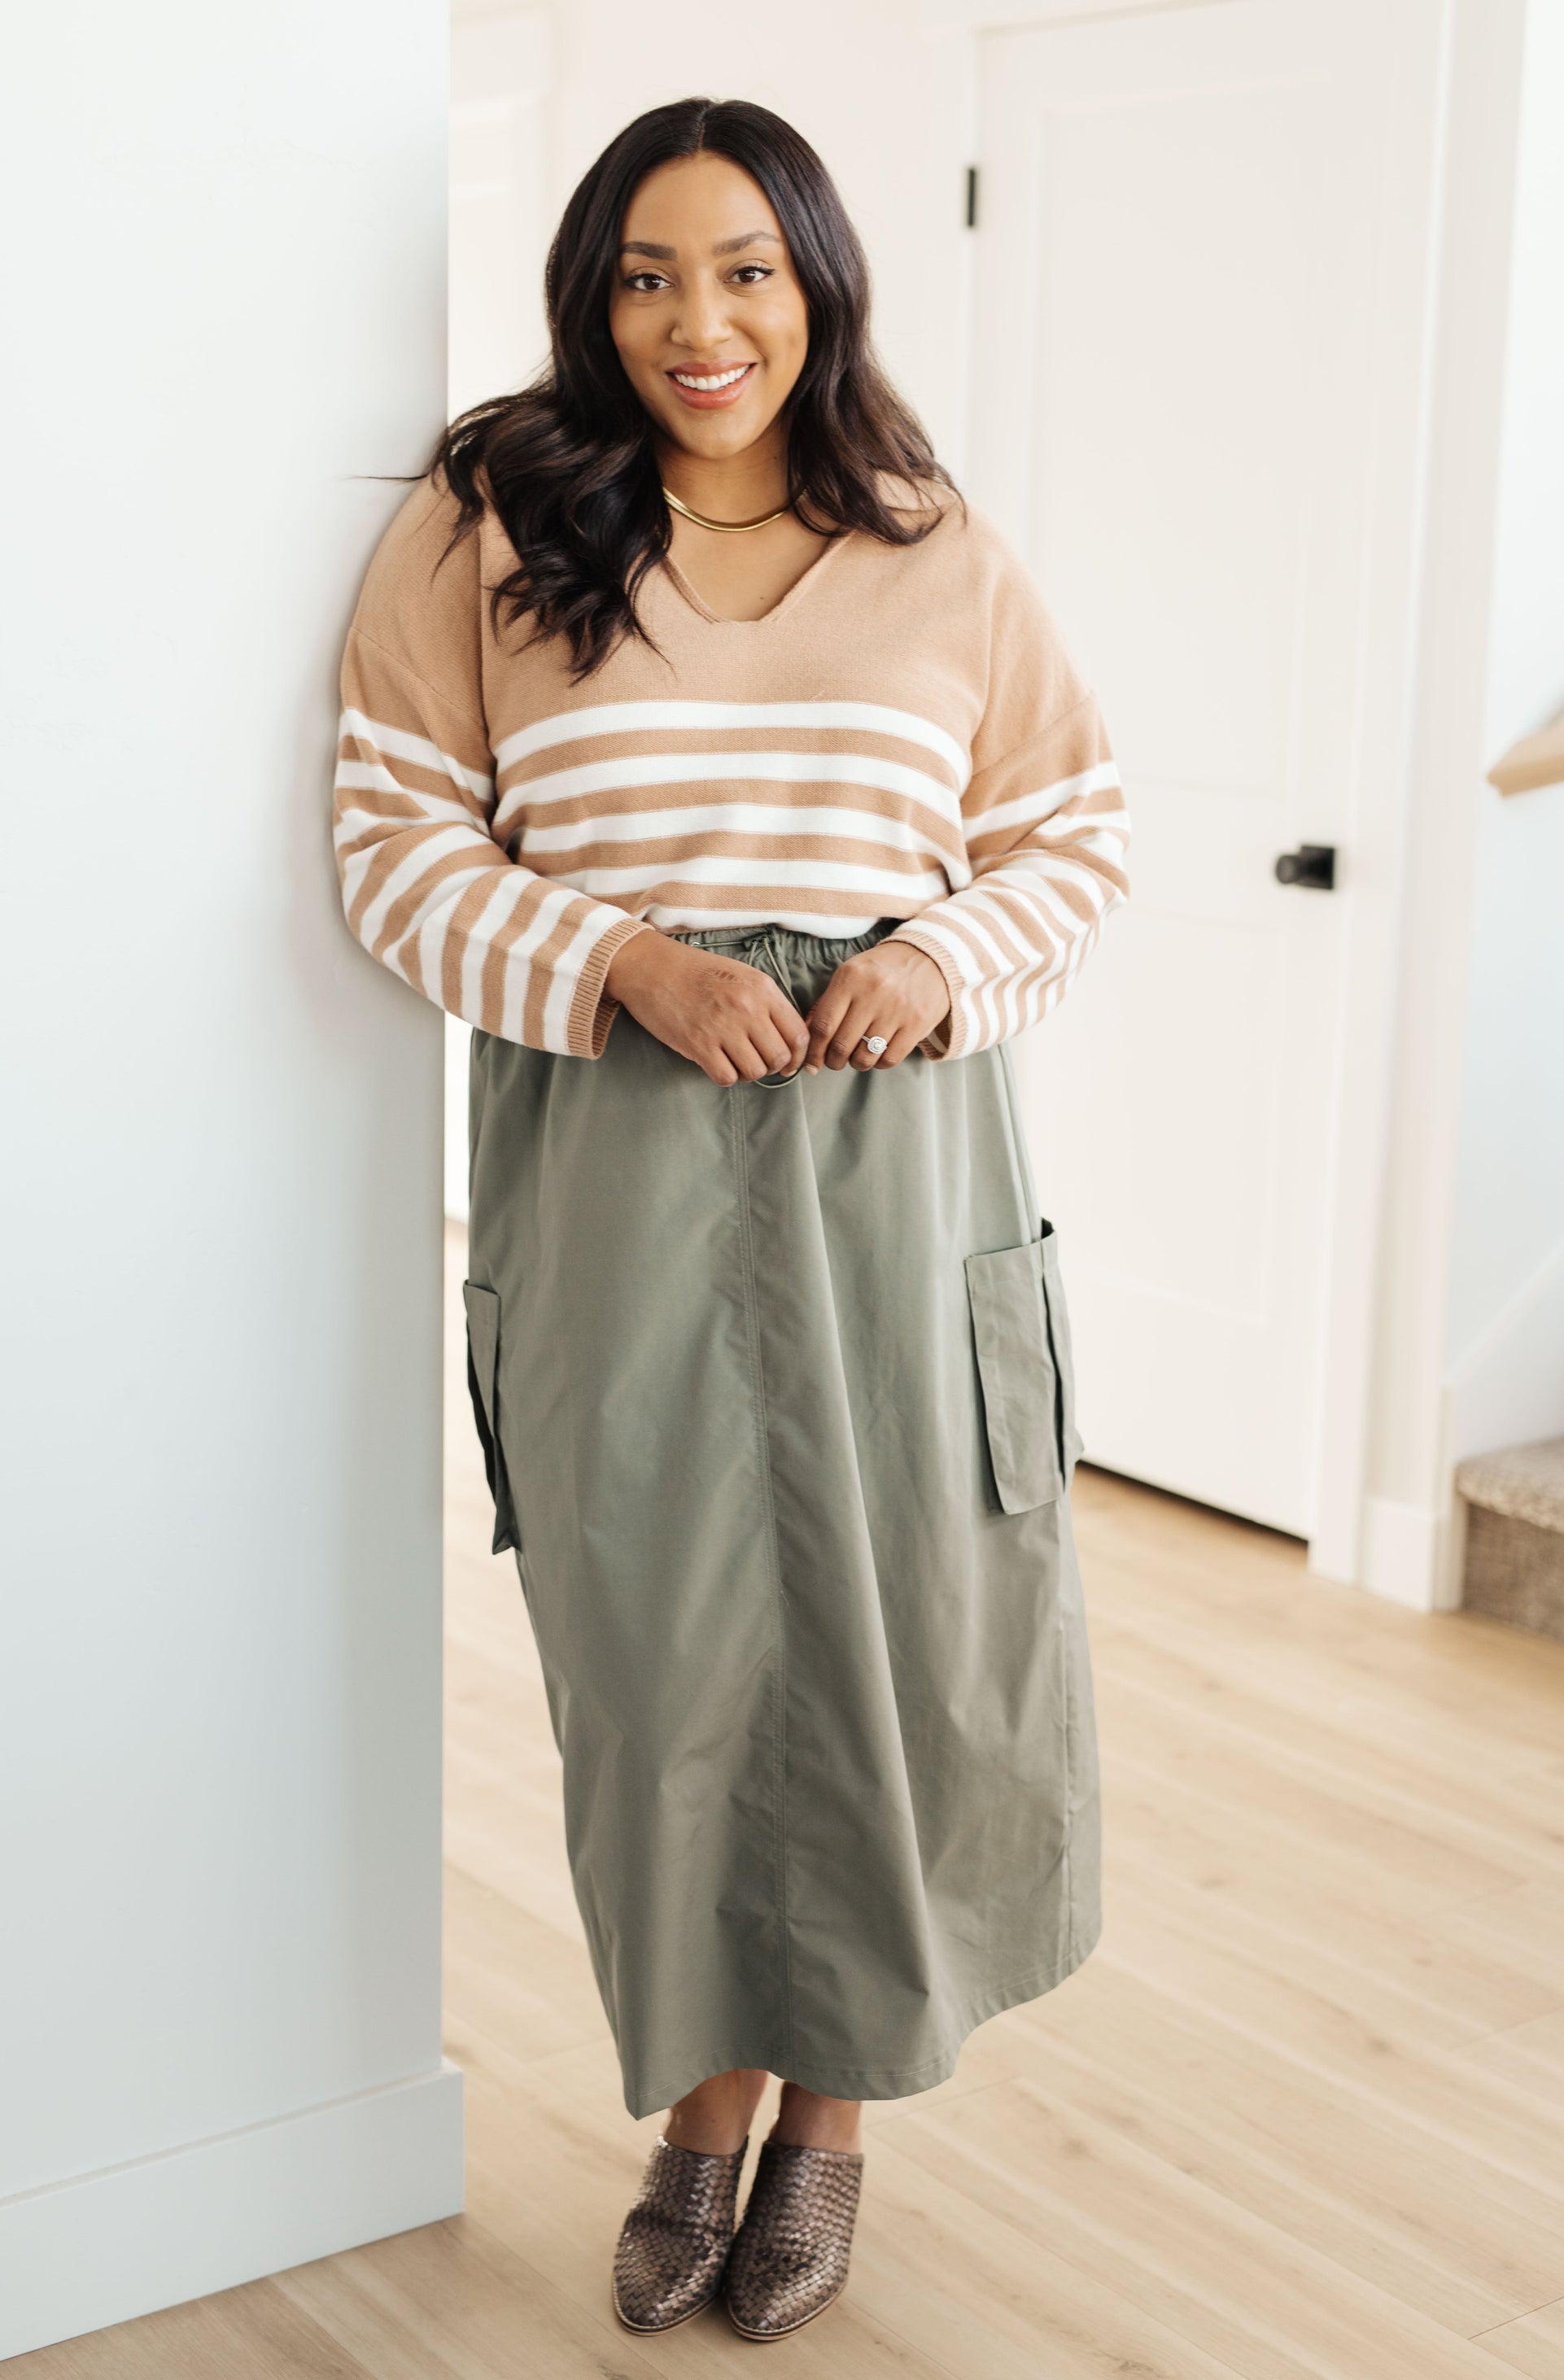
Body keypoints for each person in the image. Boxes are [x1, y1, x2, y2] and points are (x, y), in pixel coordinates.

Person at [334, 94, 1129, 2344]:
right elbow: (392, 837)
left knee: (893, 1651)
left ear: (818, 285)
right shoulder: (490, 525)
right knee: (661, 1656)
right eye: (651, 275)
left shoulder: (932, 542)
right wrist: (619, 961)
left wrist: (936, 957)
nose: (703, 323)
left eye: (748, 271)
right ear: (594, 296)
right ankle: (699, 2112)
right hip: (623, 1158)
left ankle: (832, 2125)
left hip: (897, 1165)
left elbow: (1074, 831)